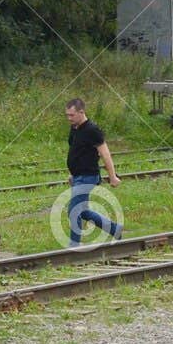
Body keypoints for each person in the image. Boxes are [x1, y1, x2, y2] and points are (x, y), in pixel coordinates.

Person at [63, 98, 122, 246]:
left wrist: (112, 176)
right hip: (78, 176)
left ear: (81, 112)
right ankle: (114, 229)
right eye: (67, 115)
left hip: (88, 177)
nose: (69, 118)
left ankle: (74, 246)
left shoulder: (92, 130)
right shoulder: (74, 128)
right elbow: (75, 151)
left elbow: (105, 153)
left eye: (71, 115)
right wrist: (72, 173)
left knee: (74, 210)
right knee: (82, 211)